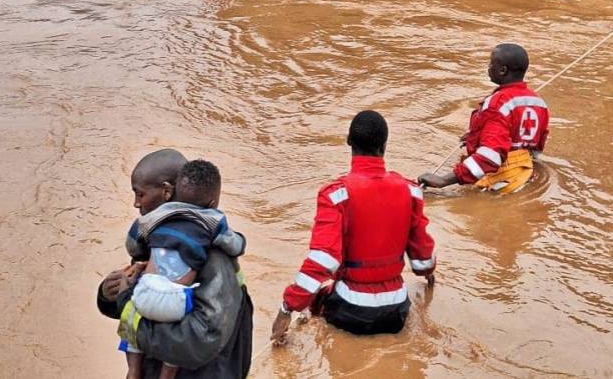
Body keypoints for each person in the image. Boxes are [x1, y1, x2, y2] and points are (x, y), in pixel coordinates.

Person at [270, 111, 436, 343]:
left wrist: (286, 309)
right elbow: (422, 260)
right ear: (385, 144)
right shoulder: (411, 190)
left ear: (349, 141)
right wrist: (429, 274)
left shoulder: (335, 194)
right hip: (396, 312)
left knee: (316, 307)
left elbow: (323, 260)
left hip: (350, 310)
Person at [97, 149, 253, 378]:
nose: (135, 203)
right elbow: (149, 298)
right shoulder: (158, 239)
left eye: (140, 194)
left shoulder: (214, 258)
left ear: (167, 192)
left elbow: (197, 341)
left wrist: (125, 303)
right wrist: (108, 295)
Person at [418, 43, 550, 194]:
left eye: (491, 63)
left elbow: (491, 156)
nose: (488, 67)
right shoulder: (538, 102)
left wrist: (444, 180)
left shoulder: (497, 103)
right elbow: (536, 145)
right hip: (526, 175)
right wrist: (477, 135)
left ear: (503, 70)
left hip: (501, 181)